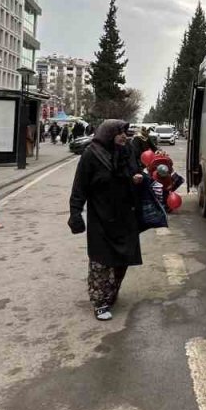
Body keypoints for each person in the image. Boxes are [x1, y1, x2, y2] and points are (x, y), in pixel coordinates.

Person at [68, 119, 144, 321]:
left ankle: (111, 293)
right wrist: (75, 213)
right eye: (120, 132)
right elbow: (79, 187)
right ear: (109, 133)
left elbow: (134, 171)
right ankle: (99, 302)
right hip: (101, 217)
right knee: (101, 262)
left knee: (123, 259)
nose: (124, 136)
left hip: (125, 216)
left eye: (125, 133)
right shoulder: (91, 155)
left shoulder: (125, 152)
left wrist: (136, 177)